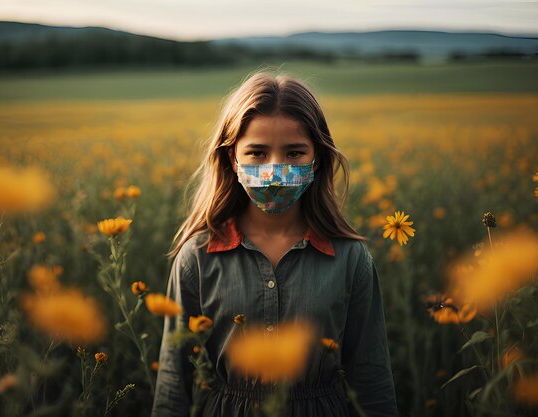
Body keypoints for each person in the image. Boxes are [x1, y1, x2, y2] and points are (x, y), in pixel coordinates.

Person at [151, 70, 397, 417]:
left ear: (317, 158)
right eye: (257, 153)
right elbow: (174, 384)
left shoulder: (350, 259)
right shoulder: (197, 258)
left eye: (294, 153)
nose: (275, 169)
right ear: (231, 158)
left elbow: (371, 378)